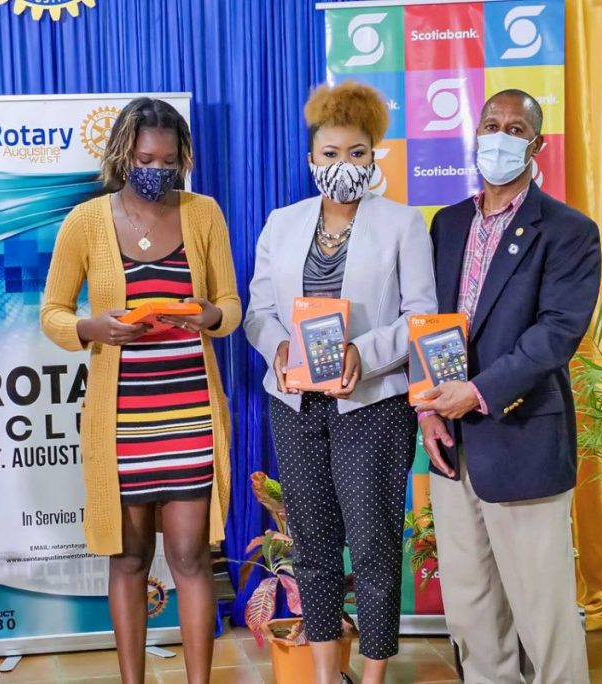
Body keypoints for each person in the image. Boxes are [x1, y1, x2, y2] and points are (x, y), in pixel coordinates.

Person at [40, 97, 240, 684]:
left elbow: (230, 306)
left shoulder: (203, 214)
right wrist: (91, 327)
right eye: (146, 158)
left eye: (169, 159)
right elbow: (53, 312)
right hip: (121, 423)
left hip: (189, 417)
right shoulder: (85, 222)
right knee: (127, 560)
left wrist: (207, 315)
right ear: (123, 155)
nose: (158, 168)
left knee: (190, 557)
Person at [244, 81, 437, 684]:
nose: (343, 165)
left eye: (357, 152)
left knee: (375, 546)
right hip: (295, 403)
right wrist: (276, 346)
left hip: (371, 405)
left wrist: (364, 351)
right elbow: (256, 309)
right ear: (312, 160)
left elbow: (421, 315)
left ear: (374, 156)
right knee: (314, 547)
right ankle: (327, 674)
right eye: (331, 154)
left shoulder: (403, 224)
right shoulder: (282, 222)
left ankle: (373, 675)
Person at [416, 89, 601, 684]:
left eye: (515, 128)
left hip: (521, 435)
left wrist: (477, 391)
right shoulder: (446, 224)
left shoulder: (569, 231)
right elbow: (428, 321)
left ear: (536, 144)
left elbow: (557, 333)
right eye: (491, 124)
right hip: (451, 442)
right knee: (471, 610)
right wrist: (429, 408)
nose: (499, 136)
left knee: (542, 612)